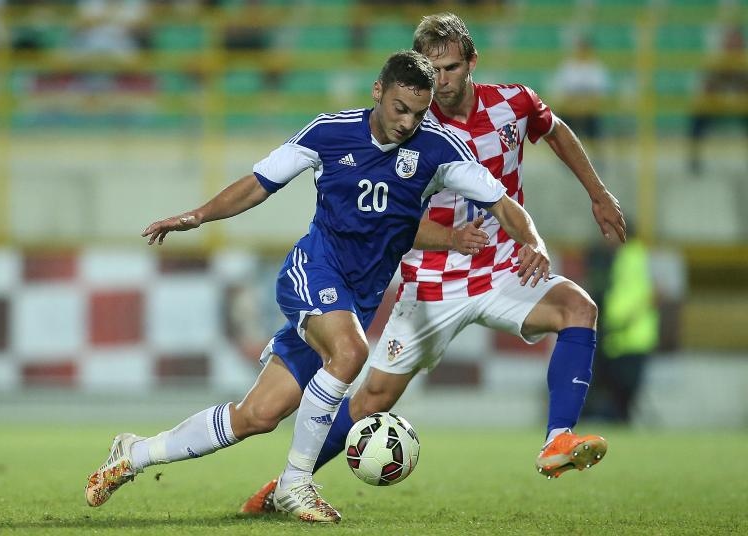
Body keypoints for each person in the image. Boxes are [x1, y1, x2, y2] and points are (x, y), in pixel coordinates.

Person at [84, 49, 552, 524]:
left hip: (359, 298)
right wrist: (198, 216)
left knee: (258, 416)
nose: (408, 122)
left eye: (418, 112)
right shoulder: (329, 131)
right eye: (399, 108)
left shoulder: (439, 149)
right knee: (351, 353)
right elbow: (258, 183)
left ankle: (133, 453)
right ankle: (295, 484)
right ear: (378, 92)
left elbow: (501, 202)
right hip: (314, 270)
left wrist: (532, 241)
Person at [241, 12, 625, 515]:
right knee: (371, 398)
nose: (441, 82)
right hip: (430, 284)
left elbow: (556, 131)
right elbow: (381, 219)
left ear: (472, 63)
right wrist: (446, 238)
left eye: (450, 68)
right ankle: (289, 483)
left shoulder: (514, 103)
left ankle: (557, 438)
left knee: (579, 307)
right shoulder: (412, 124)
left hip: (503, 269)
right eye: (433, 70)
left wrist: (598, 193)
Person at [584, 230, 658, 423]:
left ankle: (621, 422)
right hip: (620, 338)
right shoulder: (624, 257)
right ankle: (620, 422)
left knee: (623, 392)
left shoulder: (630, 258)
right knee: (617, 393)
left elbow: (637, 296)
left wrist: (617, 322)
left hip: (630, 336)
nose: (606, 238)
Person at [688, 25, 748, 175]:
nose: (732, 46)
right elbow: (705, 90)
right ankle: (694, 160)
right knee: (698, 117)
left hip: (741, 106)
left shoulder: (745, 63)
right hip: (717, 105)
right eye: (729, 42)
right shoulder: (716, 63)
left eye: (735, 42)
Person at [550, 36, 610, 162]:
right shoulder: (568, 67)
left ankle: (596, 160)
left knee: (594, 133)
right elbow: (562, 93)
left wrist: (581, 103)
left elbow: (598, 96)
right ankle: (565, 159)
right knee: (556, 129)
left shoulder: (596, 68)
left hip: (589, 112)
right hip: (570, 111)